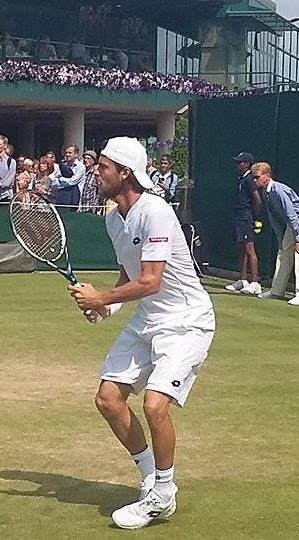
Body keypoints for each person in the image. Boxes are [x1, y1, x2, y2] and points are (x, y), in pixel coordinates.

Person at [68, 137, 215, 530]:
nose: (95, 173)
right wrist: (107, 307)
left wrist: (100, 297)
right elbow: (129, 273)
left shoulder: (156, 211)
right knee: (108, 399)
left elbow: (151, 281)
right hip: (148, 319)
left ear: (124, 173)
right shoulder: (112, 218)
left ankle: (163, 495)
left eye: (102, 167)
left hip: (186, 321)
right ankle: (152, 478)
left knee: (154, 405)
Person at [251, 162, 299, 305]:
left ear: (267, 176)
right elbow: (273, 218)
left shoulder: (279, 190)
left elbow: (291, 215)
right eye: (254, 178)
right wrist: (281, 239)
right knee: (283, 253)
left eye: (257, 177)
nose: (255, 180)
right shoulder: (265, 192)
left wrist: (298, 240)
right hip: (292, 224)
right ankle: (277, 291)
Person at [224, 151, 262, 295]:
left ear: (246, 164)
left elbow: (257, 200)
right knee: (241, 249)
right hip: (239, 217)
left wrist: (253, 217)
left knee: (250, 249)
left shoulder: (249, 180)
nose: (237, 165)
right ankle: (243, 280)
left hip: (246, 218)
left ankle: (255, 283)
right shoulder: (241, 179)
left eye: (240, 162)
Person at [49, 144, 86, 210]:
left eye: (70, 153)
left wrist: (61, 179)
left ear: (76, 154)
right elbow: (54, 182)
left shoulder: (81, 167)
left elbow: (72, 181)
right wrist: (61, 182)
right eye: (66, 153)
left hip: (73, 198)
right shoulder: (62, 166)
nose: (67, 154)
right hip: (62, 197)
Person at [78, 149, 103, 214]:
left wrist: (95, 205)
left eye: (88, 158)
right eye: (85, 158)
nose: (86, 160)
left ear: (94, 161)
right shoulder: (81, 173)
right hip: (79, 207)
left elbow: (99, 192)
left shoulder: (95, 175)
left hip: (89, 207)